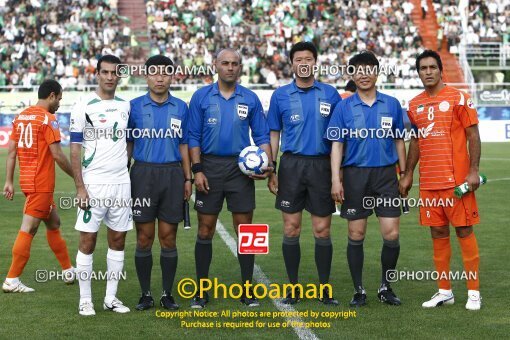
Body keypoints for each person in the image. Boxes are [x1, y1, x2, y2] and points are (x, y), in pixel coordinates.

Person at [188, 48, 272, 308]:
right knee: (205, 229)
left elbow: (262, 137)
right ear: (215, 65)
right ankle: (202, 291)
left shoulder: (250, 98)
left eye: (235, 63)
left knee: (245, 231)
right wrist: (197, 169)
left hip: (240, 169)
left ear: (240, 67)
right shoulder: (201, 97)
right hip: (209, 167)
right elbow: (193, 137)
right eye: (225, 63)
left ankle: (248, 290)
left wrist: (268, 165)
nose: (230, 67)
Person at [399, 50, 482, 310]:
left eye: (432, 67)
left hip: (456, 183)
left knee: (464, 231)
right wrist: (409, 172)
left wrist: (474, 170)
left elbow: (473, 136)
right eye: (423, 68)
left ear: (440, 69)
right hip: (429, 184)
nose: (428, 71)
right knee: (437, 233)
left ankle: (473, 292)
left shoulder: (459, 98)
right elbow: (416, 141)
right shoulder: (414, 105)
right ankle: (444, 290)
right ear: (418, 72)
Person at [328, 51, 406, 307]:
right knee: (356, 233)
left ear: (376, 72)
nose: (363, 74)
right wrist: (336, 180)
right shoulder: (344, 106)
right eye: (358, 70)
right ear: (352, 75)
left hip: (385, 175)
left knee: (391, 234)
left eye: (368, 69)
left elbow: (398, 140)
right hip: (355, 176)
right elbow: (337, 145)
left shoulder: (392, 103)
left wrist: (404, 174)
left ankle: (385, 286)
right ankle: (358, 290)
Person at [267, 42, 341, 305]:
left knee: (322, 230)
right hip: (291, 166)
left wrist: (336, 176)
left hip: (321, 166)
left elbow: (337, 139)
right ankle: (294, 287)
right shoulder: (280, 96)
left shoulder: (330, 94)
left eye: (308, 59)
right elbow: (273, 133)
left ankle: (324, 288)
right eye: (299, 59)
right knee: (291, 228)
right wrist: (271, 168)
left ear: (315, 62)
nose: (304, 63)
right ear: (292, 64)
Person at [127, 55, 192, 311]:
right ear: (146, 76)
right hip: (142, 175)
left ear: (172, 76)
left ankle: (167, 294)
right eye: (154, 73)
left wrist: (188, 178)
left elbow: (184, 144)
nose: (160, 78)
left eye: (165, 73)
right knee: (144, 237)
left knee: (168, 237)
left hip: (172, 175)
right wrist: (123, 171)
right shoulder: (133, 106)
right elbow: (128, 143)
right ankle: (145, 294)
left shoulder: (181, 107)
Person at [70, 55, 132, 316]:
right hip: (93, 184)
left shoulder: (126, 105)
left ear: (119, 76)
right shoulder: (83, 105)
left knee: (118, 239)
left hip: (121, 183)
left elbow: (130, 141)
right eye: (104, 72)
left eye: (114, 73)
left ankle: (110, 298)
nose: (109, 77)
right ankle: (85, 300)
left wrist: (123, 166)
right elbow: (75, 148)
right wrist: (80, 187)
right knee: (88, 240)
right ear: (97, 74)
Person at [3, 79, 75, 293]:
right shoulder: (48, 119)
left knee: (54, 223)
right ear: (51, 96)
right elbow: (58, 156)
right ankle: (12, 279)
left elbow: (12, 152)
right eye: (59, 99)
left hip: (28, 180)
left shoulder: (21, 116)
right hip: (40, 183)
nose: (60, 104)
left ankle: (68, 270)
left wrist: (8, 181)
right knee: (29, 229)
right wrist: (77, 176)